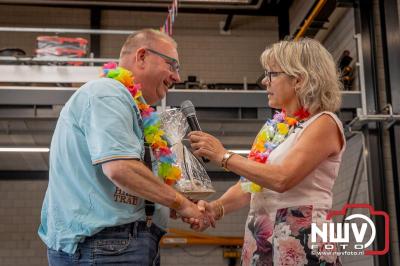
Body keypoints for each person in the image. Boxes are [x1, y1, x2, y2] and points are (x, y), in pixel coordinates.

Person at [38, 29, 206, 266]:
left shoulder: (131, 106)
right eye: (172, 65)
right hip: (106, 247)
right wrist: (182, 203)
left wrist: (172, 201)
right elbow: (120, 168)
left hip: (116, 245)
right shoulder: (108, 92)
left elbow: (131, 180)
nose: (177, 77)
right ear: (141, 57)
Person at [187, 38, 345, 265]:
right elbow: (250, 186)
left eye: (271, 74)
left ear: (299, 79)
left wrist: (224, 156)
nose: (264, 81)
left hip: (301, 236)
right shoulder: (275, 128)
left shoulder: (324, 123)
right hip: (262, 235)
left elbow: (282, 179)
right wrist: (214, 208)